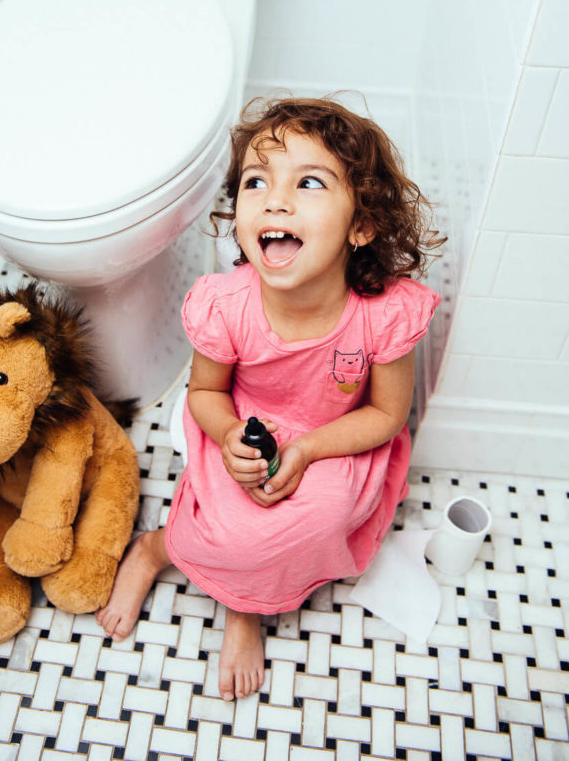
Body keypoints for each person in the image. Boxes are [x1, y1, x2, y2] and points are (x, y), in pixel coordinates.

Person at [96, 95, 444, 702]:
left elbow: (387, 415)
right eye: (257, 182)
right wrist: (229, 432)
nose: (275, 199)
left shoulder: (384, 316)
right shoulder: (226, 304)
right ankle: (159, 550)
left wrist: (308, 450)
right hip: (245, 424)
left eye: (309, 182)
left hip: (332, 436)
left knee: (317, 523)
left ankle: (240, 601)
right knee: (231, 528)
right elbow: (205, 391)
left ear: (361, 226)